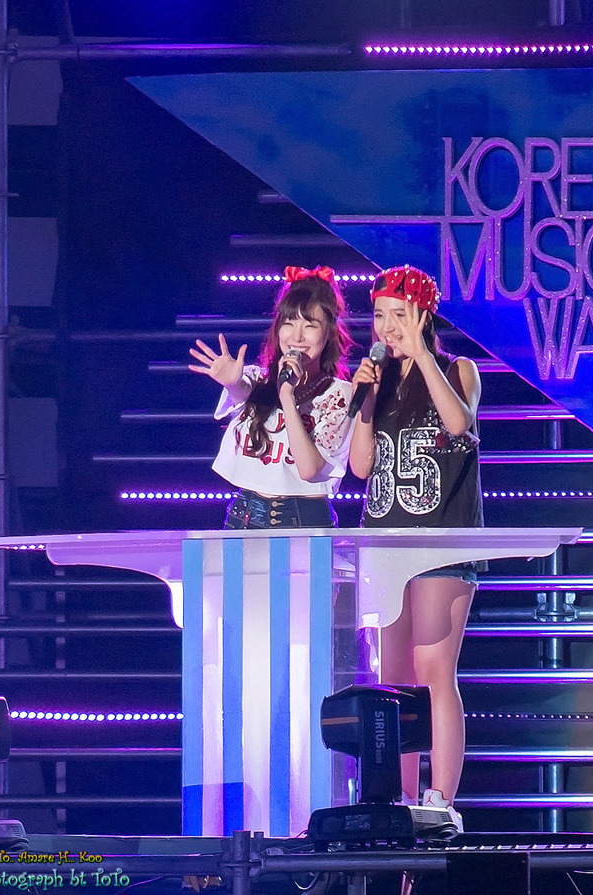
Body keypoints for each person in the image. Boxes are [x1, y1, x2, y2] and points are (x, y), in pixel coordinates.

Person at [348, 264, 483, 824]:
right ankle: (398, 798)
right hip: (384, 542)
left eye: (399, 315)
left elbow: (458, 423)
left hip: (440, 544)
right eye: (380, 315)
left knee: (433, 671)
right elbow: (360, 467)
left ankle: (442, 802)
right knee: (392, 678)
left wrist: (423, 356)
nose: (387, 327)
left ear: (424, 316)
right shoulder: (376, 380)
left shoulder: (457, 369)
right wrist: (364, 401)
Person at [188, 265, 354, 528]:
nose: (297, 336)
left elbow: (309, 470)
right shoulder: (258, 379)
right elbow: (242, 389)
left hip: (302, 519)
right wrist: (232, 382)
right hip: (244, 514)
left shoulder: (339, 395)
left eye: (310, 325)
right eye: (289, 323)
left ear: (329, 333)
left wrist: (287, 395)